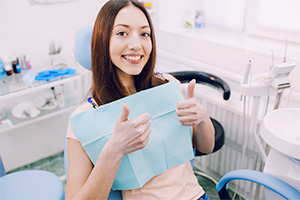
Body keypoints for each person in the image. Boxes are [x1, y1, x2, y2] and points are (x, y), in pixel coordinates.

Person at [65, 0, 215, 199]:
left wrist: (202, 117)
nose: (136, 45)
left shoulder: (168, 84)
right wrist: (114, 151)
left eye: (144, 34)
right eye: (122, 33)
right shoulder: (85, 117)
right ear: (103, 41)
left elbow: (206, 147)